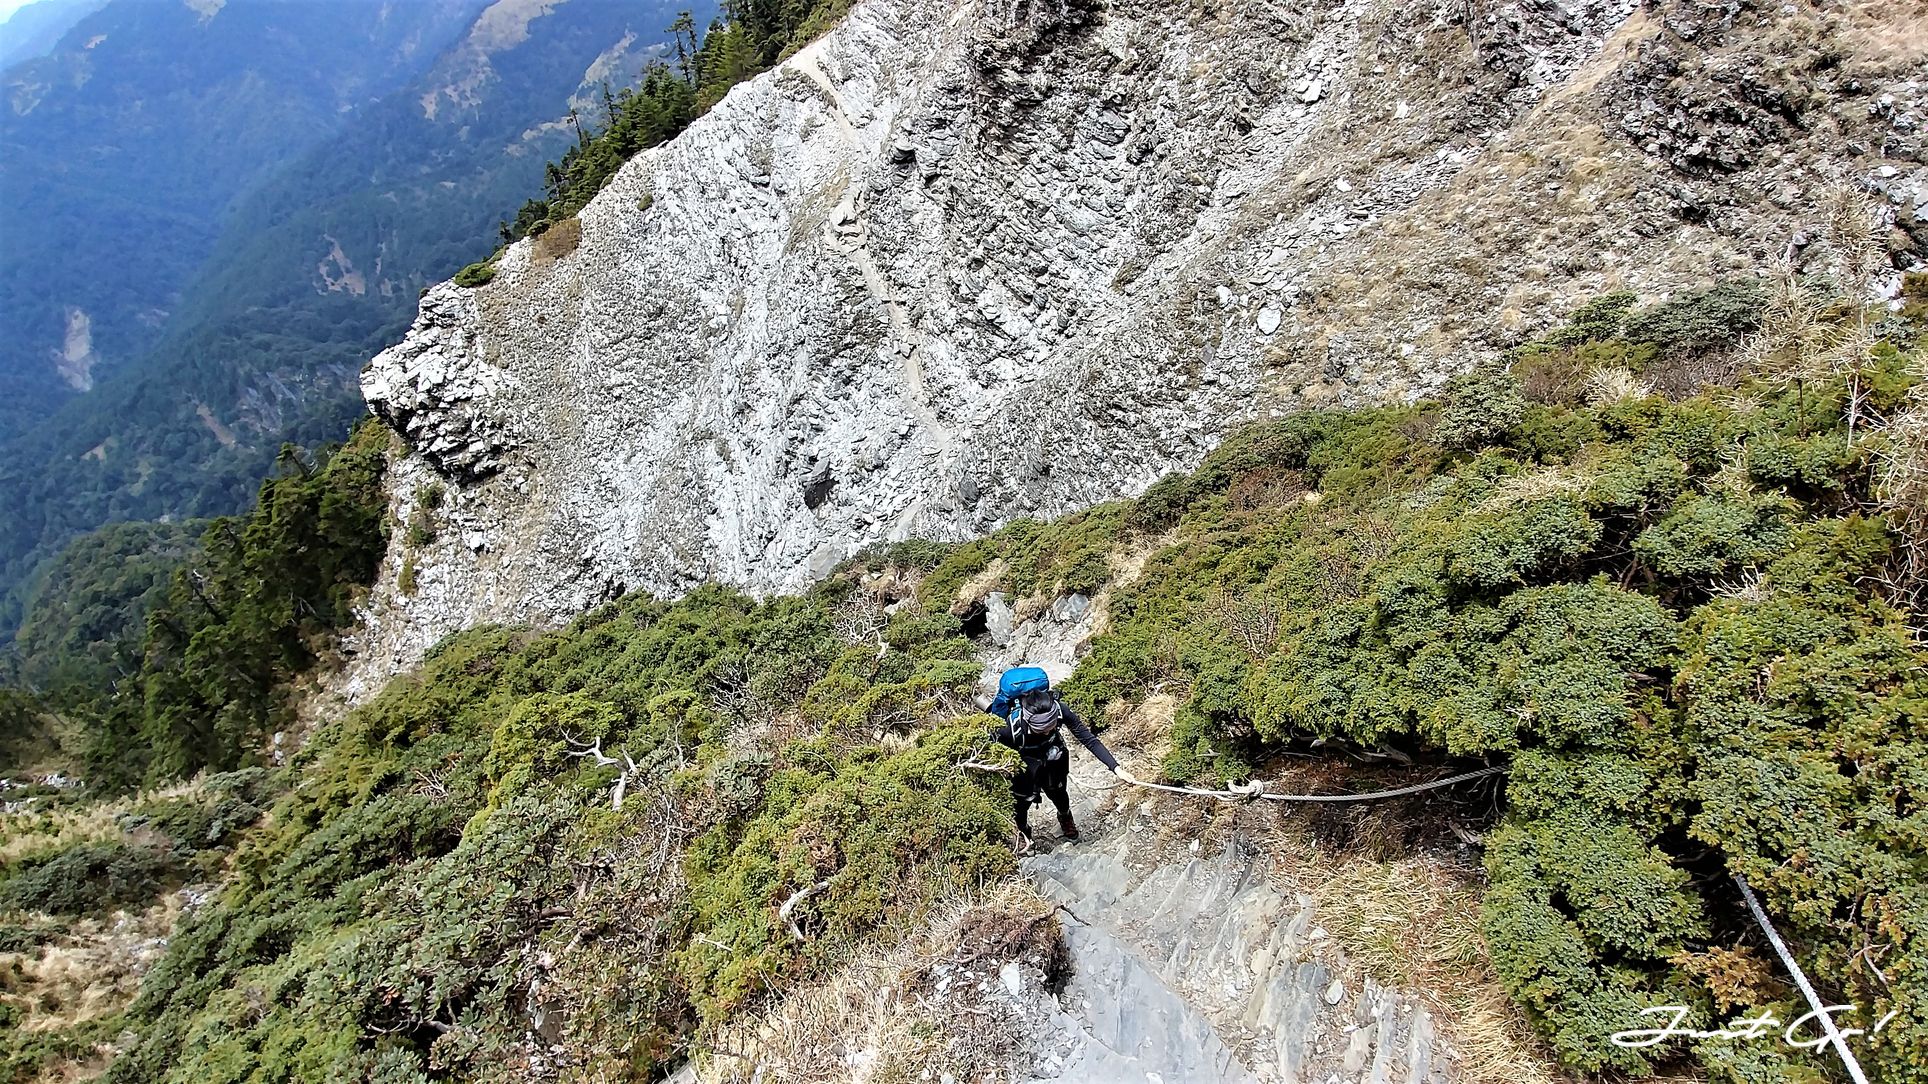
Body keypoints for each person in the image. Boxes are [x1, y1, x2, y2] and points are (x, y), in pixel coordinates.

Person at [986, 667, 1137, 852]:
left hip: (1054, 757)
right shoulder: (1008, 729)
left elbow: (1087, 738)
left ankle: (1065, 817)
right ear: (1029, 722)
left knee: (1058, 792)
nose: (1049, 731)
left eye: (1052, 727)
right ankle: (1024, 835)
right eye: (1042, 730)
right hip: (1022, 763)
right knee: (1021, 802)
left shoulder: (1059, 710)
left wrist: (1116, 768)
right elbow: (993, 756)